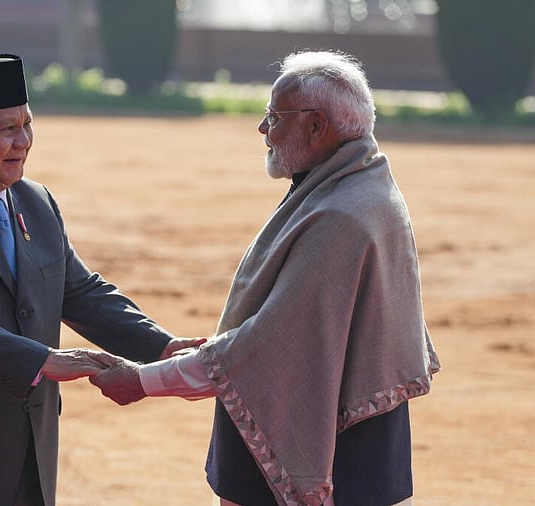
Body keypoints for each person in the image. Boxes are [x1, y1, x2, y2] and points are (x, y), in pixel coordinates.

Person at [89, 50, 441, 506]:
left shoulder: (340, 215)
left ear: (317, 126)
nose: (262, 129)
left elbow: (261, 349)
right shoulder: (361, 185)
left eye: (274, 116)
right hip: (359, 448)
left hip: (328, 460)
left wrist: (144, 380)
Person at [0, 54, 205, 506]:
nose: (24, 142)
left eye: (28, 125)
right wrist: (41, 360)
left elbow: (78, 290)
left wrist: (160, 346)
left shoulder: (35, 201)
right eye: (7, 129)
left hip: (34, 440)